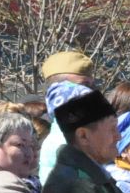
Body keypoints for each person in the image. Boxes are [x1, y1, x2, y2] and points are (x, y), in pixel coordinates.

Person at [35, 51, 96, 182]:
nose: (91, 92)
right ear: (58, 89)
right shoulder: (61, 138)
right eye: (84, 85)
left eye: (92, 86)